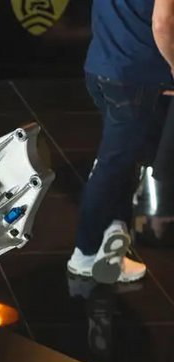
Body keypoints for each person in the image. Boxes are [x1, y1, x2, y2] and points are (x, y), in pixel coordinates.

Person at [67, 0, 174, 283]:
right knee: (113, 164)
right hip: (134, 77)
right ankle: (85, 253)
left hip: (102, 67)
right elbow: (162, 24)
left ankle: (113, 233)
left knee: (122, 159)